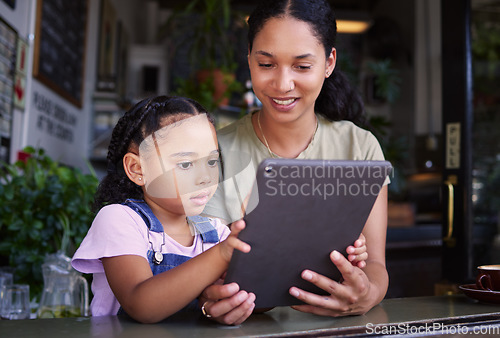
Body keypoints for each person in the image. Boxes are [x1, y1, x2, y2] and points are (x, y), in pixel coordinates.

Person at [200, 0, 389, 324]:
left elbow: (376, 268)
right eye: (266, 64)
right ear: (249, 59)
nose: (282, 84)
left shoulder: (359, 147)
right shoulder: (213, 152)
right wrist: (209, 300)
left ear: (329, 63)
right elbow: (198, 272)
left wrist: (365, 295)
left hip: (335, 329)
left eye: (302, 66)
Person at [71, 96, 252, 324]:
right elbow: (142, 304)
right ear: (138, 169)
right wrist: (223, 255)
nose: (205, 177)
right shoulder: (119, 220)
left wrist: (227, 301)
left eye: (212, 161)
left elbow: (255, 296)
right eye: (186, 164)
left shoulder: (216, 233)